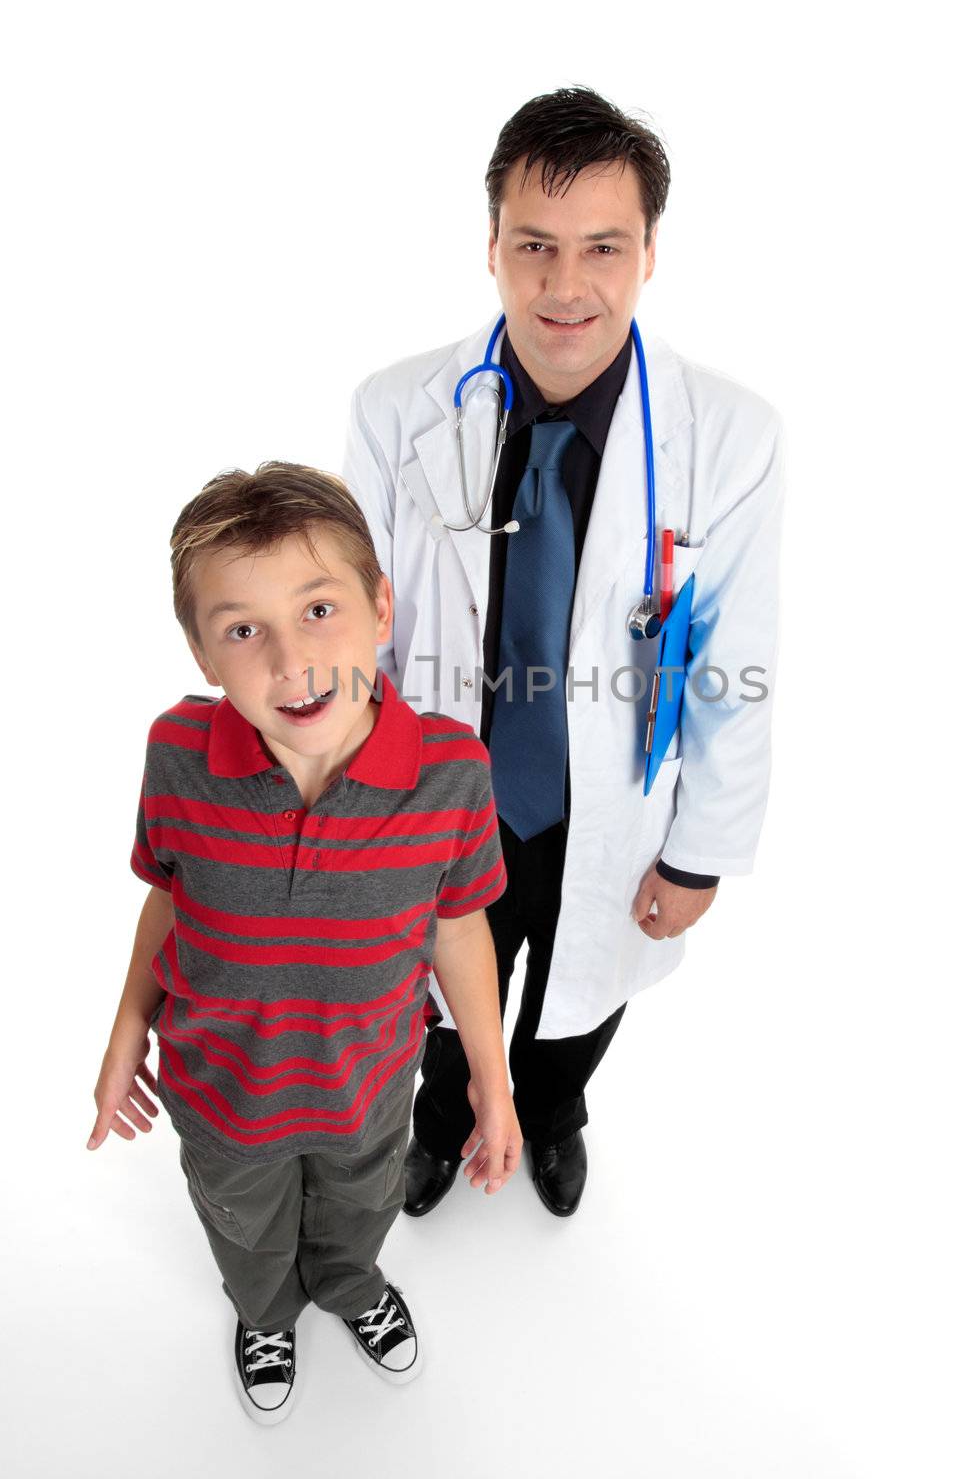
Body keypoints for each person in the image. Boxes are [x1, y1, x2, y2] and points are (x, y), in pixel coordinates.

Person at [343, 86, 785, 1219]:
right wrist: (354, 805)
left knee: (585, 986)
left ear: (648, 255)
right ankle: (442, 1120)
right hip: (446, 791)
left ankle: (551, 1109)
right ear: (490, 246)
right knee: (446, 991)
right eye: (533, 245)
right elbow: (354, 627)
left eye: (602, 246)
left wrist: (699, 856)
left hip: (616, 795)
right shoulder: (397, 410)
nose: (564, 285)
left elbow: (740, 662)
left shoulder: (727, 436)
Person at [88, 461, 522, 1424]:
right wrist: (127, 1034)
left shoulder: (451, 771)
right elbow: (168, 896)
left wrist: (490, 1080)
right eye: (243, 630)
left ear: (379, 607)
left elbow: (459, 929)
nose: (289, 662)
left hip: (367, 1084)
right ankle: (266, 1310)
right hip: (221, 1092)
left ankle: (348, 1284)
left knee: (360, 1207)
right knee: (244, 1225)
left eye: (318, 610)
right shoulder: (176, 753)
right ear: (202, 654)